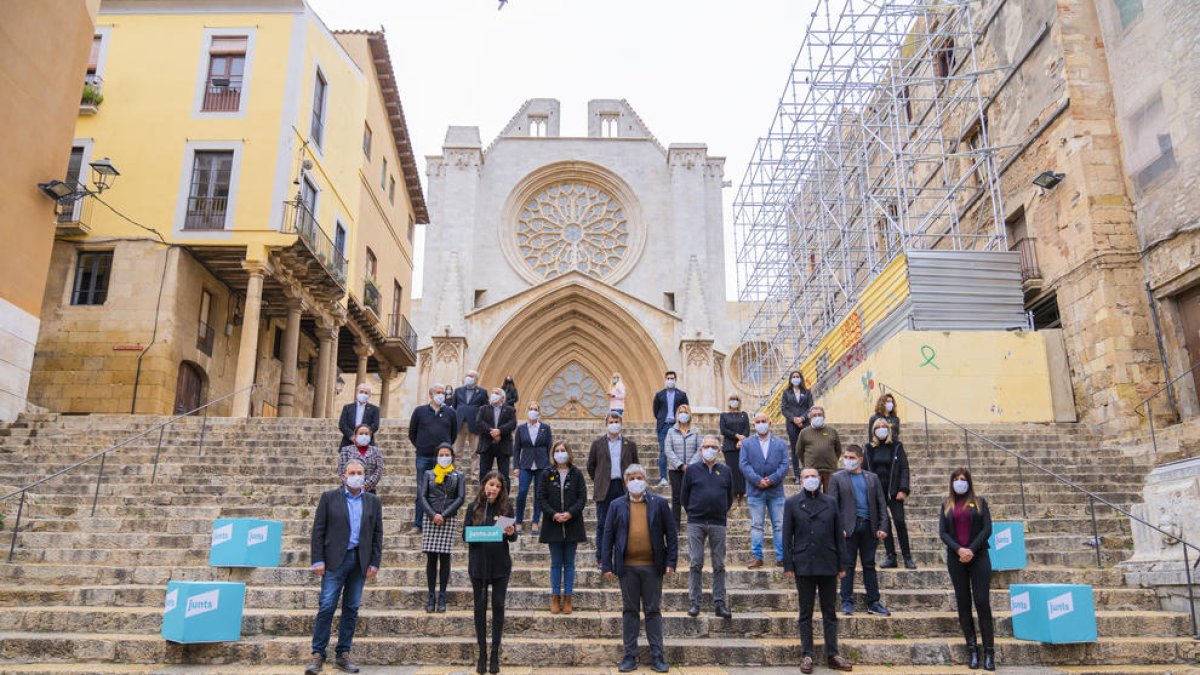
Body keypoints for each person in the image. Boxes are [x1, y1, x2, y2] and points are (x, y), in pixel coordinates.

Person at [305, 459, 382, 675]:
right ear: (344, 475)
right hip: (334, 560)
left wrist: (375, 561)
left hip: (360, 561)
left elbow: (377, 534)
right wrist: (317, 560)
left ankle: (343, 654)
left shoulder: (373, 501)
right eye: (352, 472)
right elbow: (318, 530)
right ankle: (317, 654)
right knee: (327, 605)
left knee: (352, 608)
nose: (356, 475)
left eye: (360, 472)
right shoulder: (329, 498)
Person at [600, 464, 677, 674]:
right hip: (627, 569)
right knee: (630, 612)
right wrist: (606, 564)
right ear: (625, 482)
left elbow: (671, 533)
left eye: (639, 477)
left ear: (645, 480)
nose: (636, 481)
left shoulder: (659, 504)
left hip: (653, 567)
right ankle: (629, 656)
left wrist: (671, 561)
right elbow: (607, 535)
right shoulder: (616, 505)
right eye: (632, 478)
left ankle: (658, 657)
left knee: (653, 611)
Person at [784, 467, 854, 674]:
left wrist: (843, 564)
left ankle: (833, 653)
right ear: (800, 480)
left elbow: (838, 535)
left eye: (814, 476)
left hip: (828, 562)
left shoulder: (831, 502)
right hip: (804, 562)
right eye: (807, 477)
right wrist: (789, 564)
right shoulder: (792, 503)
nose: (811, 479)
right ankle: (807, 654)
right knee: (805, 612)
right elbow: (787, 536)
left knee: (829, 611)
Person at [938, 468, 995, 671]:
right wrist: (959, 550)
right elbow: (943, 533)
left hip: (978, 556)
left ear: (969, 482)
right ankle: (973, 650)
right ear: (951, 482)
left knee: (981, 601)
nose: (959, 482)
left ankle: (989, 652)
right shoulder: (946, 505)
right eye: (956, 480)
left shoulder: (980, 503)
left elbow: (987, 529)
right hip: (956, 559)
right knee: (964, 604)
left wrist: (971, 549)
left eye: (963, 479)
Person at [463, 471, 517, 674]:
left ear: (501, 489)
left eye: (497, 486)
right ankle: (482, 653)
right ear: (484, 485)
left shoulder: (506, 508)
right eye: (490, 484)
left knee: (498, 605)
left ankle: (495, 653)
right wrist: (476, 534)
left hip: (500, 565)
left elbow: (512, 538)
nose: (492, 488)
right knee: (480, 607)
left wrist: (511, 533)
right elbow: (465, 535)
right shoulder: (474, 507)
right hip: (478, 565)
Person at [829, 445, 891, 617]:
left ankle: (873, 602)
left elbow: (881, 504)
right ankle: (847, 602)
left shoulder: (873, 478)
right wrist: (837, 528)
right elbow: (832, 506)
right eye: (846, 457)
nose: (848, 460)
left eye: (851, 457)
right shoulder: (837, 478)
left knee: (869, 565)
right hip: (848, 529)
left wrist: (883, 526)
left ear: (860, 459)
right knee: (847, 565)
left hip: (869, 527)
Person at [679, 435, 733, 619]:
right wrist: (694, 511)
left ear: (719, 451)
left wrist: (719, 511)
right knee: (696, 562)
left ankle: (719, 602)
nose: (710, 449)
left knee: (719, 564)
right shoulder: (692, 470)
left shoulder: (726, 471)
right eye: (707, 446)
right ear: (701, 449)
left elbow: (729, 497)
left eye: (714, 447)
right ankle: (695, 602)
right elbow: (684, 496)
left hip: (718, 522)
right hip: (696, 521)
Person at [538, 441, 587, 614]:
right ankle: (555, 597)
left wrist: (570, 513)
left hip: (572, 524)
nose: (560, 453)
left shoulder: (576, 473)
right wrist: (554, 514)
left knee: (570, 564)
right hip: (553, 525)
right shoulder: (546, 473)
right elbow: (541, 498)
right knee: (556, 563)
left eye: (563, 450)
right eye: (557, 450)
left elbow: (582, 497)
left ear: (569, 453)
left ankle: (568, 597)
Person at [417, 443, 465, 614]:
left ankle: (442, 595)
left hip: (448, 518)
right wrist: (433, 514)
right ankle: (431, 595)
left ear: (452, 456)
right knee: (431, 558)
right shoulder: (429, 474)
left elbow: (460, 498)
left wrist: (444, 514)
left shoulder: (458, 475)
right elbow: (422, 496)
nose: (444, 457)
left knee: (445, 558)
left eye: (447, 454)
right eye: (441, 454)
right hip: (431, 517)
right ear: (437, 457)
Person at [587, 412, 639, 564]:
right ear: (606, 424)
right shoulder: (597, 444)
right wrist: (599, 480)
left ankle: (622, 557)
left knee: (625, 523)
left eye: (616, 421)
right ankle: (602, 558)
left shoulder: (630, 445)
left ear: (621, 423)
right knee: (603, 524)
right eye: (611, 421)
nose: (614, 424)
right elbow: (591, 466)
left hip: (624, 488)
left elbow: (636, 465)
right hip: (605, 488)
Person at [739, 412, 790, 569]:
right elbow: (744, 464)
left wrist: (772, 479)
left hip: (776, 491)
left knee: (779, 525)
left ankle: (782, 557)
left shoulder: (780, 444)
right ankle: (757, 557)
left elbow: (784, 465)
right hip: (755, 491)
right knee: (756, 525)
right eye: (758, 422)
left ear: (770, 423)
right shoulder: (747, 444)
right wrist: (757, 480)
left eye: (764, 421)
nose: (761, 424)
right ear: (754, 425)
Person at [408, 385, 458, 533]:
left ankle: (442, 522)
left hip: (443, 459)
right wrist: (422, 445)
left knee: (445, 490)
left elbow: (453, 434)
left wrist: (445, 450)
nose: (441, 395)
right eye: (438, 392)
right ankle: (418, 524)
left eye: (443, 393)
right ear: (430, 394)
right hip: (423, 456)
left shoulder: (450, 413)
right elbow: (412, 432)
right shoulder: (419, 411)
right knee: (421, 490)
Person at [866, 417, 914, 569]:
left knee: (899, 521)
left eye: (883, 426)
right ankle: (890, 556)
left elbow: (904, 469)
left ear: (888, 429)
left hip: (894, 491)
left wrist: (903, 489)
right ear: (873, 431)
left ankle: (907, 557)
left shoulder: (897, 446)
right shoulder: (868, 448)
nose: (881, 428)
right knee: (884, 525)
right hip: (877, 492)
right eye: (878, 427)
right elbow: (866, 470)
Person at [513, 401, 552, 535]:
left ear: (539, 412)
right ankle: (518, 521)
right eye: (531, 408)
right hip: (525, 465)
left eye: (535, 409)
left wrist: (549, 466)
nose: (533, 411)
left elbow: (549, 447)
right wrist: (516, 466)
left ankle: (535, 521)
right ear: (527, 410)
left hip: (542, 465)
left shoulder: (545, 428)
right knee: (522, 492)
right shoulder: (521, 428)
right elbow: (517, 448)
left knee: (539, 495)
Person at [663, 403, 701, 525]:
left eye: (685, 412)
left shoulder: (696, 430)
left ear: (689, 414)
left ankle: (694, 521)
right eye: (680, 412)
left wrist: (690, 465)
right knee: (676, 497)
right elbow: (668, 449)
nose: (683, 414)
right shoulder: (671, 431)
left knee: (691, 496)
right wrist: (680, 465)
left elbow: (700, 449)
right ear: (677, 415)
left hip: (692, 469)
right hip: (675, 469)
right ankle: (675, 526)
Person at [651, 371, 689, 487]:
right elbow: (655, 411)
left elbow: (686, 409)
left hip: (677, 425)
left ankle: (680, 477)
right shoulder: (659, 395)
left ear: (675, 380)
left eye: (672, 378)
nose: (670, 380)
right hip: (663, 426)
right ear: (665, 379)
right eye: (668, 378)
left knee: (678, 451)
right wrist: (663, 420)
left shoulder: (681, 394)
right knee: (663, 452)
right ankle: (663, 478)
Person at [475, 387, 516, 487]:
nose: (493, 395)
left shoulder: (510, 410)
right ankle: (483, 498)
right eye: (492, 393)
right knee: (484, 474)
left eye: (496, 393)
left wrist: (500, 431)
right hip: (487, 445)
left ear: (502, 398)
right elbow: (479, 422)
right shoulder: (483, 409)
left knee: (504, 475)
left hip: (503, 446)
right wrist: (491, 431)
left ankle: (504, 500)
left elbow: (512, 424)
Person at [795, 406, 842, 492]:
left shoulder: (832, 431)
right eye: (814, 415)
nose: (817, 417)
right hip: (812, 471)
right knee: (813, 496)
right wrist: (807, 463)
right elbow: (799, 451)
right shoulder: (804, 432)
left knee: (830, 496)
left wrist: (832, 460)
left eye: (819, 415)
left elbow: (838, 450)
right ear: (810, 418)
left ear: (824, 417)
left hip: (830, 470)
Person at [780, 371, 813, 482]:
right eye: (793, 377)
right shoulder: (786, 393)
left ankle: (806, 472)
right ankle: (797, 475)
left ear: (801, 378)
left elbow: (810, 407)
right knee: (795, 449)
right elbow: (784, 409)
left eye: (797, 376)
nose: (795, 378)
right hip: (791, 424)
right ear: (790, 379)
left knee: (806, 448)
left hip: (805, 423)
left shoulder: (807, 392)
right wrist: (794, 419)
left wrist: (802, 418)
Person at [719, 394, 750, 504]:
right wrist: (736, 436)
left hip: (742, 446)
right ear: (729, 402)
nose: (734, 402)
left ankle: (742, 493)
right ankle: (733, 493)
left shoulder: (744, 415)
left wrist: (741, 440)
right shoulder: (724, 415)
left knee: (742, 470)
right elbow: (723, 430)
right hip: (729, 447)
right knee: (732, 471)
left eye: (736, 400)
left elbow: (747, 429)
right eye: (732, 400)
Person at [337, 424, 384, 493]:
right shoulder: (346, 450)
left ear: (370, 436)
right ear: (355, 436)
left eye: (366, 434)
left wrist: (365, 486)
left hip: (369, 490)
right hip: (348, 489)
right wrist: (351, 486)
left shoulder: (376, 451)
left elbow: (378, 470)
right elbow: (341, 471)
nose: (364, 436)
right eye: (361, 433)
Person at [453, 371, 488, 457]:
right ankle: (457, 470)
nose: (468, 378)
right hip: (460, 423)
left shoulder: (482, 392)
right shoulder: (458, 391)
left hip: (475, 423)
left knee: (475, 451)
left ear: (476, 379)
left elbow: (485, 408)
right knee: (457, 451)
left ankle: (475, 471)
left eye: (471, 376)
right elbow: (454, 407)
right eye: (467, 376)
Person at [337, 383, 380, 451]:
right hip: (348, 442)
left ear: (369, 395)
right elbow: (342, 424)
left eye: (366, 393)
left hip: (367, 443)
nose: (363, 394)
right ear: (357, 392)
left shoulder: (374, 409)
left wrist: (364, 435)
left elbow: (375, 425)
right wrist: (352, 436)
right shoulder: (347, 408)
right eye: (361, 392)